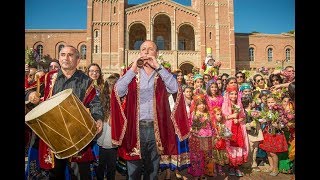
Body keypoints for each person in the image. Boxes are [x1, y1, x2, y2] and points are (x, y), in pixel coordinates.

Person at [110, 40, 190, 179]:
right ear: (139, 53)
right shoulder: (132, 74)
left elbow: (175, 89)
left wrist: (159, 67)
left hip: (156, 127)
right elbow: (118, 91)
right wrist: (132, 69)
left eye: (150, 49)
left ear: (156, 53)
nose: (146, 52)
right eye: (143, 49)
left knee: (152, 169)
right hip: (134, 128)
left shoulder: (162, 74)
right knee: (133, 169)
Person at [25, 45, 104, 180]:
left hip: (77, 138)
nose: (65, 58)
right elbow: (28, 91)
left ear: (78, 60)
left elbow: (95, 103)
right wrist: (31, 95)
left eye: (70, 55)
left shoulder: (86, 81)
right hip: (53, 139)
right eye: (62, 54)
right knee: (54, 175)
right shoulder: (48, 78)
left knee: (81, 176)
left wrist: (98, 119)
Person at [96, 75, 119, 180]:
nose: (111, 87)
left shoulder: (120, 97)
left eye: (113, 85)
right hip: (103, 131)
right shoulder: (102, 97)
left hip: (113, 133)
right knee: (101, 163)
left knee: (112, 164)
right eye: (109, 84)